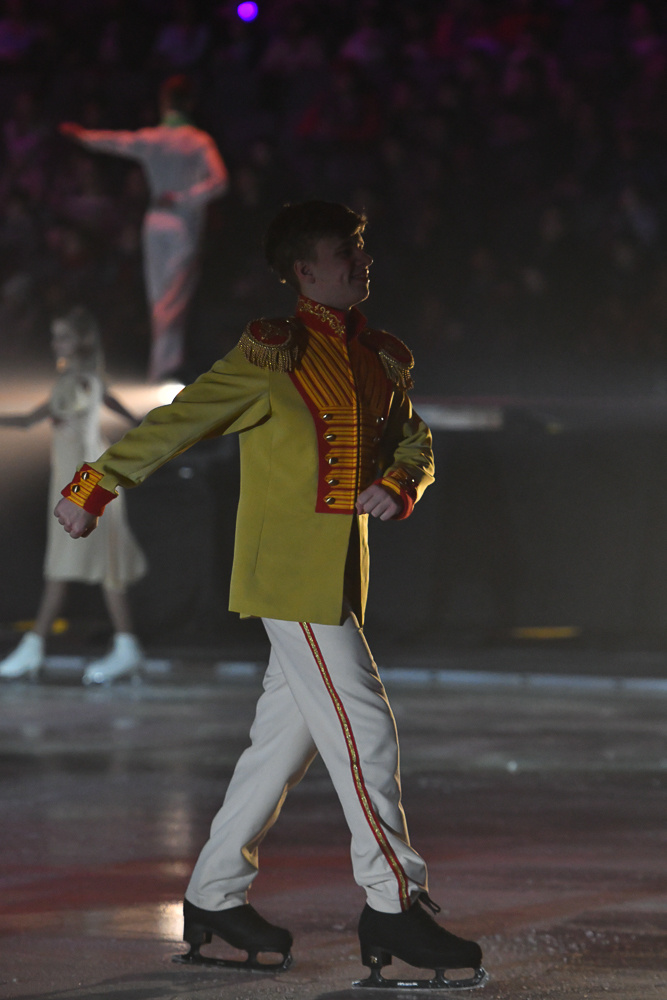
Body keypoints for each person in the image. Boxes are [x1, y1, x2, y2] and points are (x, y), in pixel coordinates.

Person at [53, 202, 485, 987]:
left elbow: (414, 439)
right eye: (340, 253)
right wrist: (92, 483)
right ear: (301, 271)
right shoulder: (269, 357)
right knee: (366, 731)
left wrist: (398, 481)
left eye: (360, 247)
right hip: (289, 578)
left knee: (275, 752)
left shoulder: (383, 357)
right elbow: (178, 421)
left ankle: (214, 896)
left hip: (336, 579)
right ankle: (393, 905)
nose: (360, 261)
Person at [0, 306, 147, 685]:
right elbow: (99, 400)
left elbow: (84, 401)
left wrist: (84, 492)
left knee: (69, 567)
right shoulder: (80, 378)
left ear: (81, 339)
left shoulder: (79, 381)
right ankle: (125, 645)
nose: (56, 343)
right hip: (84, 484)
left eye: (63, 336)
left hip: (83, 486)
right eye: (55, 336)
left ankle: (35, 646)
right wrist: (133, 419)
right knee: (101, 568)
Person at [59, 74, 228, 383]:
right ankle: (164, 374)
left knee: (160, 302)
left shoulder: (153, 138)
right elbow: (219, 181)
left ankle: (160, 372)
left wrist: (83, 135)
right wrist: (186, 198)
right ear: (190, 103)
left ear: (164, 103)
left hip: (154, 224)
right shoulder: (199, 141)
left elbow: (116, 141)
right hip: (181, 226)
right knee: (172, 302)